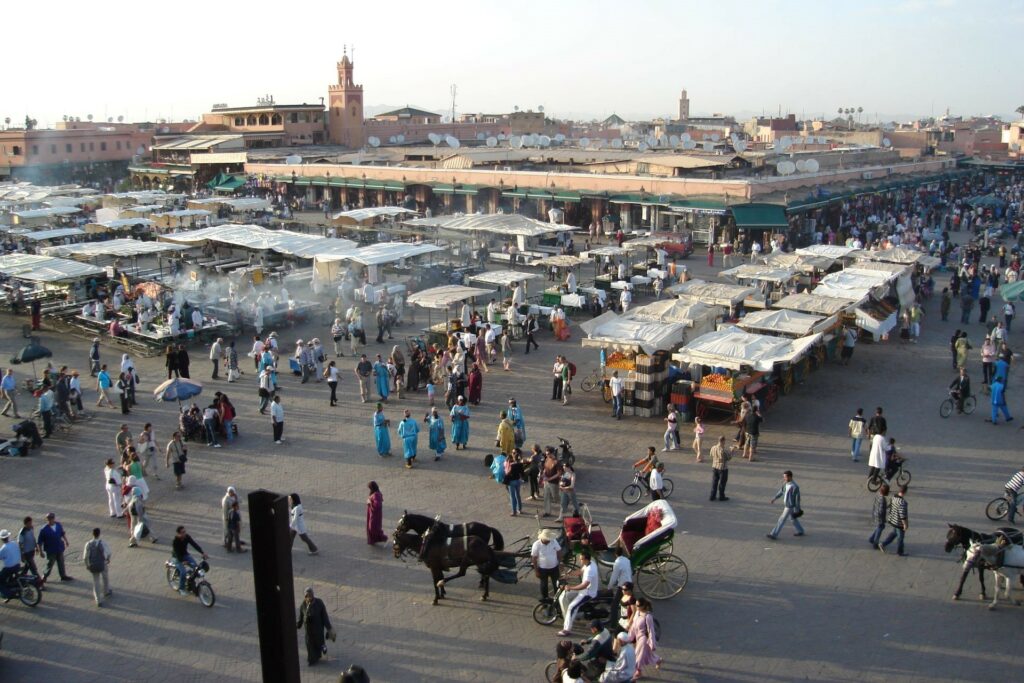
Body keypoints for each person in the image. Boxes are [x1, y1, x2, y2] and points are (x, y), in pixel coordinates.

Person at [557, 550, 599, 636]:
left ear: (586, 560)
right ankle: (570, 617)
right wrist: (568, 575)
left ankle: (566, 630)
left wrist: (571, 587)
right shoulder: (589, 563)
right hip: (583, 590)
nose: (580, 561)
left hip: (587, 593)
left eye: (581, 559)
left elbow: (584, 585)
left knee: (571, 607)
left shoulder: (590, 570)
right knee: (568, 596)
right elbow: (580, 571)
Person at [296, 587, 333, 666]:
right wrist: (297, 625)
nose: (309, 597)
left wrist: (329, 628)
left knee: (320, 644)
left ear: (313, 595)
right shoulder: (303, 605)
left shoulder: (319, 603)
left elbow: (324, 617)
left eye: (310, 595)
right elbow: (301, 618)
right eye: (307, 595)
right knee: (310, 645)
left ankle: (323, 648)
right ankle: (312, 660)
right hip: (309, 632)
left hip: (318, 630)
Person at [624, 598, 659, 679]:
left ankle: (638, 671)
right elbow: (633, 626)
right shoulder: (637, 612)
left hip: (644, 639)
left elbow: (651, 631)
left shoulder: (648, 616)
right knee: (649, 655)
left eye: (638, 605)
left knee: (637, 655)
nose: (636, 606)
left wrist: (652, 644)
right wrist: (629, 637)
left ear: (643, 606)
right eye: (636, 605)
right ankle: (658, 660)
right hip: (638, 637)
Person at [766, 470, 804, 540]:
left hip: (789, 506)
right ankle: (801, 530)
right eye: (783, 477)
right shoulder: (785, 484)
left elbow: (797, 499)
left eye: (785, 477)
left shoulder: (795, 487)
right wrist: (775, 498)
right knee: (793, 519)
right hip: (788, 505)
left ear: (790, 477)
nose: (784, 478)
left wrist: (797, 509)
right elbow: (781, 491)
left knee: (781, 519)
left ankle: (774, 534)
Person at [170, 525, 207, 595]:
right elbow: (176, 553)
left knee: (195, 567)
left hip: (185, 555)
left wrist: (202, 552)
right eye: (182, 532)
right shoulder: (175, 541)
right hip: (177, 558)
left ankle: (191, 583)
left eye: (185, 532)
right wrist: (182, 561)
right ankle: (181, 589)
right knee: (183, 572)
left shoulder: (187, 537)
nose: (184, 534)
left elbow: (194, 544)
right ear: (178, 534)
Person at [38, 512, 73, 582]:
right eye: (48, 519)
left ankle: (63, 576)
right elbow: (40, 542)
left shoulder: (58, 525)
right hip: (50, 550)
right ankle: (44, 576)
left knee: (61, 562)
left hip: (59, 547)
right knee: (50, 563)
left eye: (51, 518)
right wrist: (40, 551)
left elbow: (62, 533)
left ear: (54, 518)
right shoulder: (44, 530)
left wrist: (66, 541)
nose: (50, 520)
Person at [82, 528, 112, 607]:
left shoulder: (88, 544)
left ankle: (98, 599)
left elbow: (85, 557)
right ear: (99, 534)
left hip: (93, 565)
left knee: (96, 581)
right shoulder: (103, 543)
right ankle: (106, 591)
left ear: (92, 534)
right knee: (105, 577)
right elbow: (109, 552)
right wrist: (108, 559)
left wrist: (87, 565)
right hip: (102, 563)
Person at [531, 528, 562, 601]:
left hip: (554, 567)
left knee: (556, 584)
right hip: (543, 568)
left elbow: (559, 551)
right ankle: (545, 599)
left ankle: (557, 600)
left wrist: (560, 562)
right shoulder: (536, 544)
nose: (549, 540)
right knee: (544, 585)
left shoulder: (554, 542)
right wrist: (536, 571)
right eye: (547, 539)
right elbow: (534, 558)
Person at [879, 485, 909, 556]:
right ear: (905, 492)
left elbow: (888, 506)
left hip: (892, 520)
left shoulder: (893, 497)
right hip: (899, 523)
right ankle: (900, 552)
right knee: (900, 538)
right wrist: (905, 524)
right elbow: (902, 516)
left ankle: (883, 544)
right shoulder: (902, 502)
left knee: (894, 533)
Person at [541, 448, 563, 518]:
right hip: (546, 481)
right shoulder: (547, 459)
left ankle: (563, 504)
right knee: (546, 496)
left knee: (555, 497)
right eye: (546, 454)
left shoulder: (557, 462)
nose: (547, 455)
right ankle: (547, 511)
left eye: (548, 454)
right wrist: (543, 474)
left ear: (552, 453)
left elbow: (559, 473)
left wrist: (550, 478)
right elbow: (545, 468)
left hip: (553, 482)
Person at [868, 483, 890, 549]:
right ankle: (875, 542)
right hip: (880, 517)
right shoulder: (883, 499)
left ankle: (872, 538)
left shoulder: (878, 495)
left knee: (879, 527)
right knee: (881, 527)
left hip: (875, 514)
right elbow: (881, 510)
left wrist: (887, 506)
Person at [710, 435, 731, 501]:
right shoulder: (723, 450)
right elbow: (728, 458)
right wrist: (731, 451)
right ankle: (721, 496)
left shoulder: (713, 447)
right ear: (723, 441)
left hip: (714, 467)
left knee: (714, 482)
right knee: (722, 483)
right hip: (723, 469)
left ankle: (712, 496)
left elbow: (711, 455)